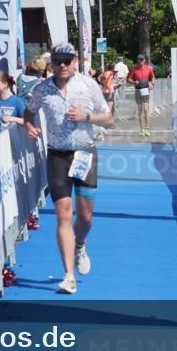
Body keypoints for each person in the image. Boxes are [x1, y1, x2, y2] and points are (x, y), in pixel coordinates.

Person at [23, 43, 113, 295]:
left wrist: (87, 117)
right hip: (57, 156)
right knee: (63, 215)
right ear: (51, 63)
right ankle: (68, 276)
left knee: (85, 218)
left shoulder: (88, 85)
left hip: (84, 153)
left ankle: (80, 244)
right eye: (57, 61)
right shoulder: (42, 89)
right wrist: (28, 127)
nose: (62, 65)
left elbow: (109, 119)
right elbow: (28, 113)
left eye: (67, 60)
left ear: (75, 61)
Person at [127, 54, 156, 137]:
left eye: (142, 60)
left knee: (146, 109)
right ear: (138, 60)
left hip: (145, 89)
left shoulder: (149, 68)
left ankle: (147, 128)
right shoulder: (134, 69)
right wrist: (133, 82)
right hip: (138, 90)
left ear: (144, 60)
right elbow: (129, 79)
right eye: (140, 60)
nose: (141, 61)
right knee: (140, 110)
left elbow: (153, 77)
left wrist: (152, 83)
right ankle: (142, 129)